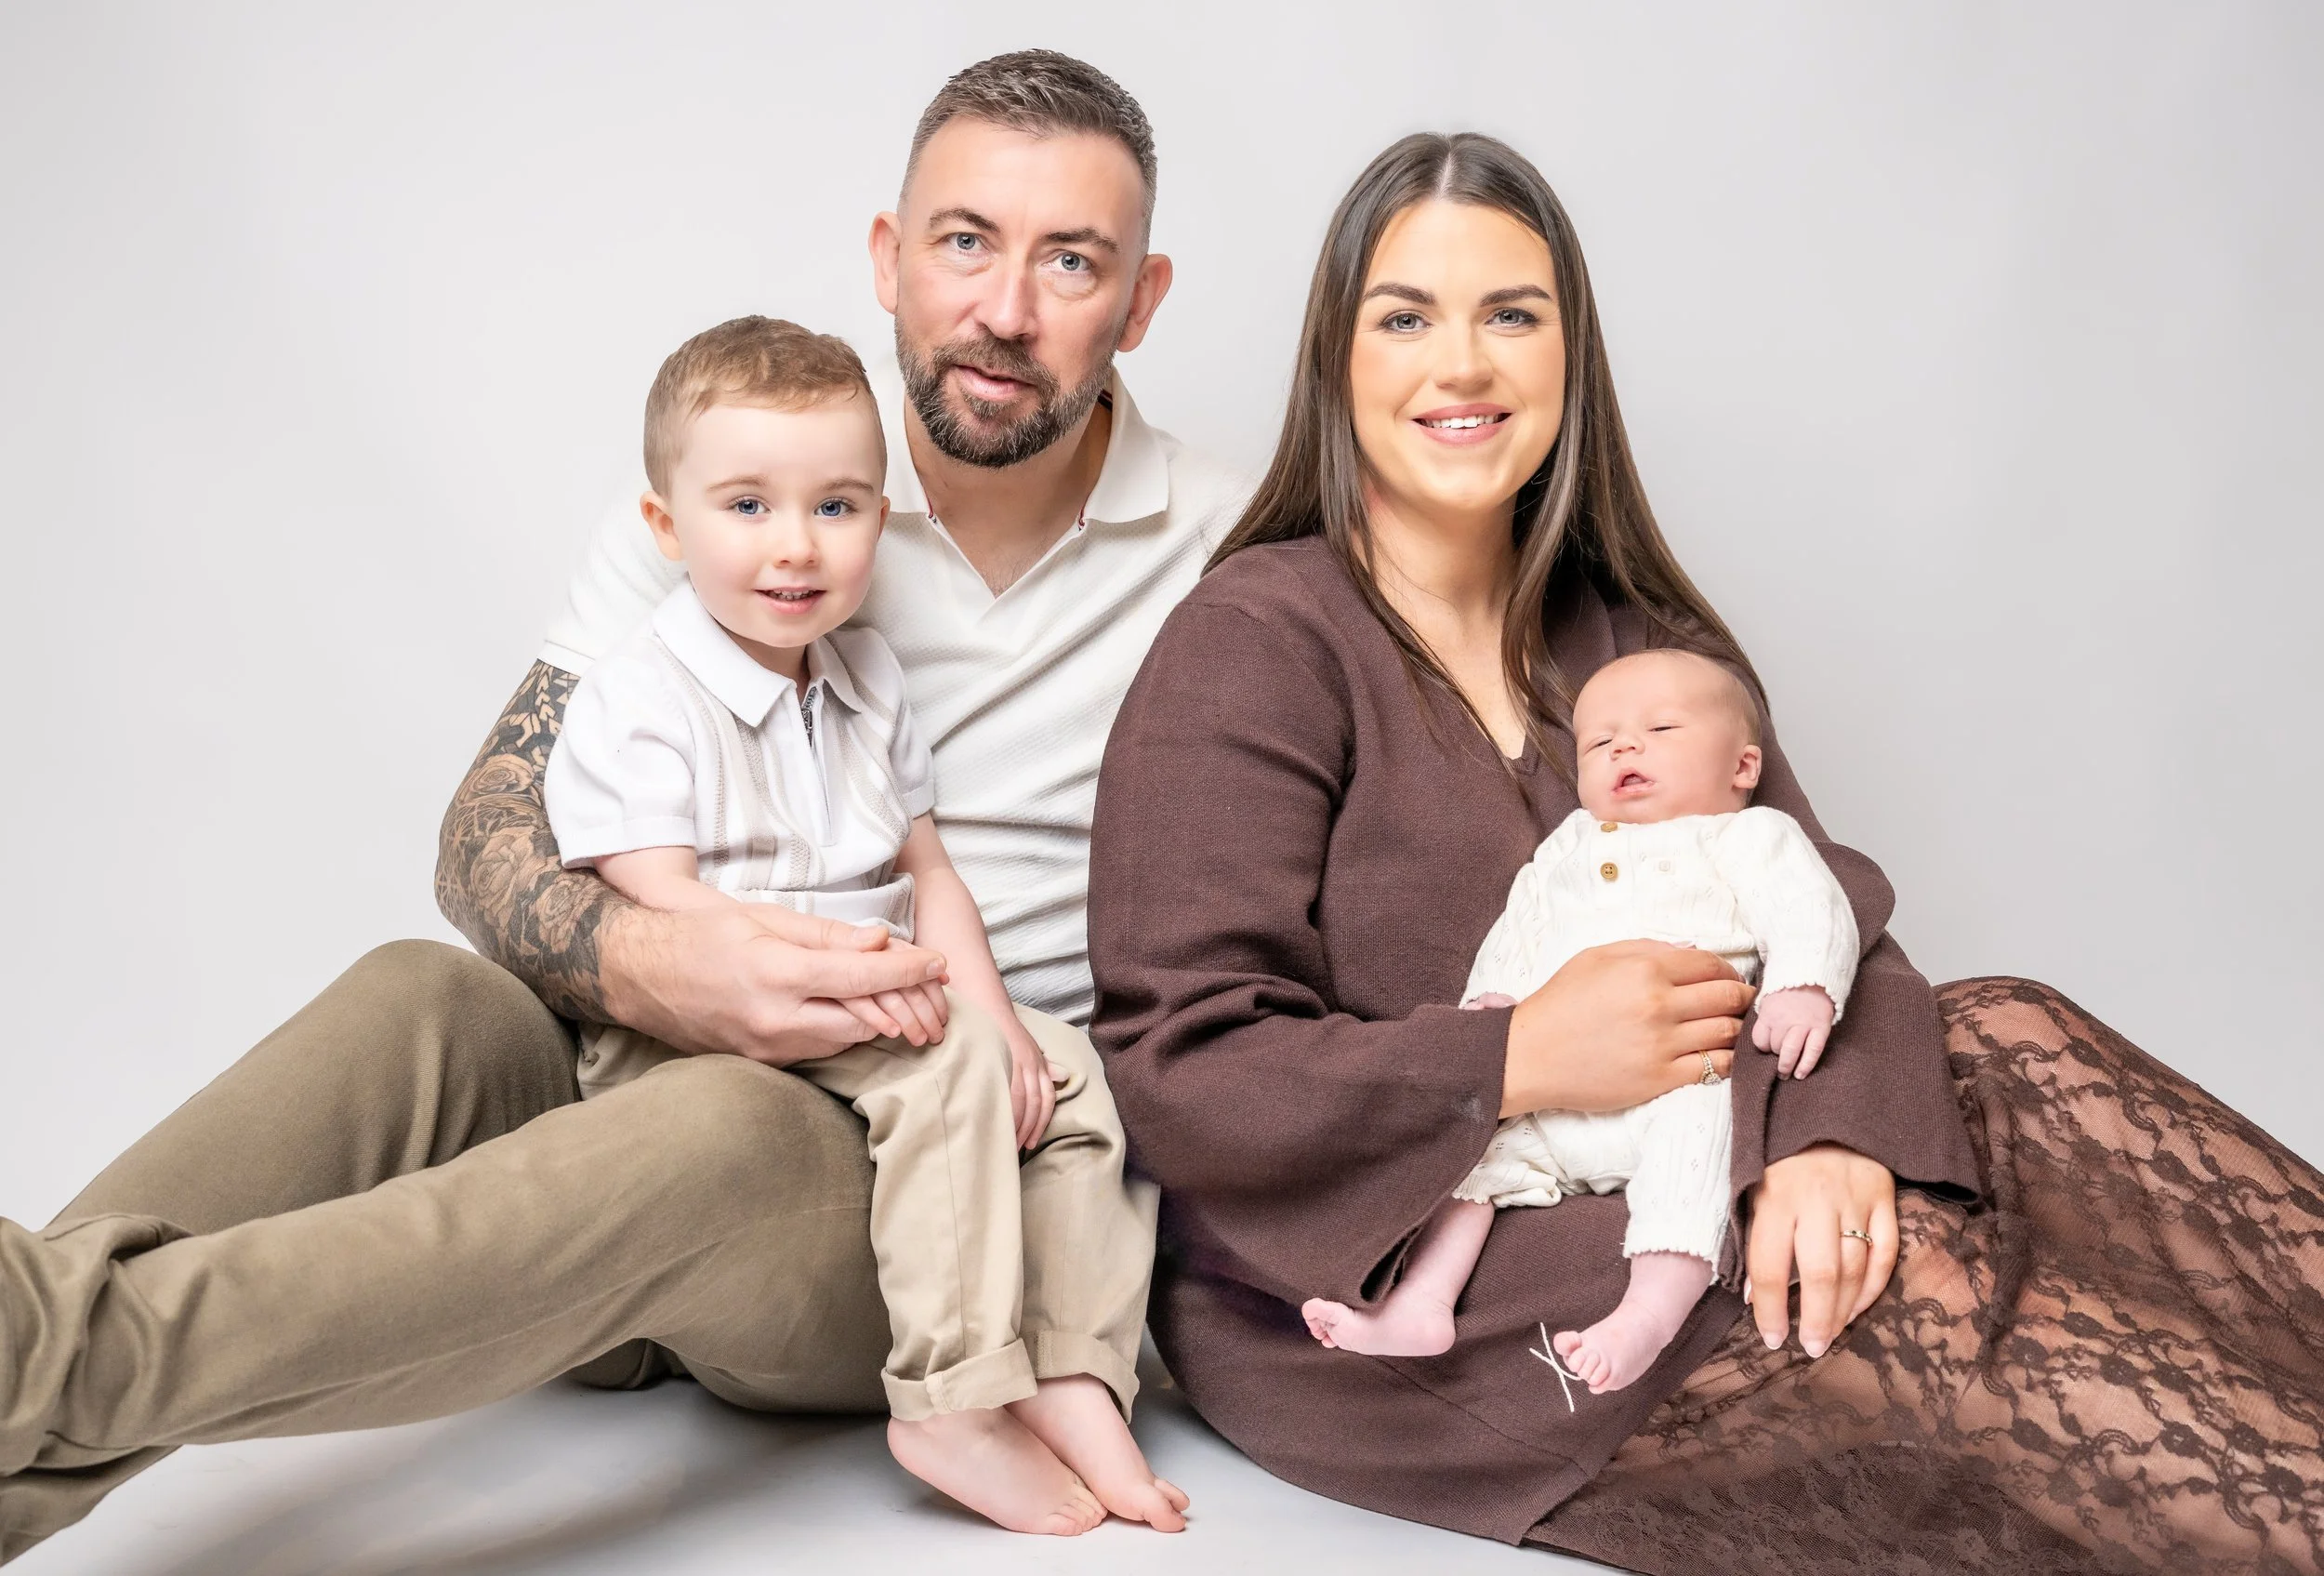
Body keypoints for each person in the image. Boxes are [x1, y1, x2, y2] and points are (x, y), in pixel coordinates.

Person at [0, 50, 1244, 1561]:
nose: (1005, 306)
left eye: (1072, 261)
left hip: (917, 1206)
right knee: (422, 991)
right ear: (890, 258)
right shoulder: (737, 490)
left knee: (727, 1123)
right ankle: (28, 1341)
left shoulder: (1233, 551)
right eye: (966, 241)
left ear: (1144, 297)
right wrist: (678, 961)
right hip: (630, 1089)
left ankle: (54, 1346)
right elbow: (489, 836)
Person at [1087, 130, 2324, 1574]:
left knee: (2010, 1033)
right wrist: (1520, 1056)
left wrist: (1837, 1135)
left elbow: (1827, 907)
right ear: (1337, 358)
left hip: (1681, 1146)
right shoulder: (1254, 643)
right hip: (1405, 1270)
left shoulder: (1631, 633)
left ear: (1570, 353)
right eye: (1406, 316)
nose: (1463, 364)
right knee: (1918, 1289)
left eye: (1512, 314)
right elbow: (1179, 1064)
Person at [541, 312, 1182, 1534]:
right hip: (701, 1025)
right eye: (747, 507)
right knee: (944, 1069)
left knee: (1067, 1074)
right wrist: (862, 992)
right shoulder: (641, 696)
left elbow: (927, 868)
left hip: (882, 998)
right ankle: (950, 1395)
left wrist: (990, 1011)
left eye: (837, 506)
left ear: (879, 516)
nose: (795, 547)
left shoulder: (866, 674)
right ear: (666, 526)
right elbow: (664, 909)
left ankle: (1073, 1365)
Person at [1300, 648, 1858, 1398]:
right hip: (1553, 1088)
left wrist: (1803, 986)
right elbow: (1520, 929)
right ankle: (1423, 1301)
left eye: (1660, 728)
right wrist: (1491, 1007)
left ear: (1743, 767)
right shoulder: (1566, 847)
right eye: (1599, 742)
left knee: (1699, 1146)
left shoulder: (1750, 837)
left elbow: (1810, 908)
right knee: (1475, 1144)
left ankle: (1648, 1313)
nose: (1625, 746)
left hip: (1679, 1081)